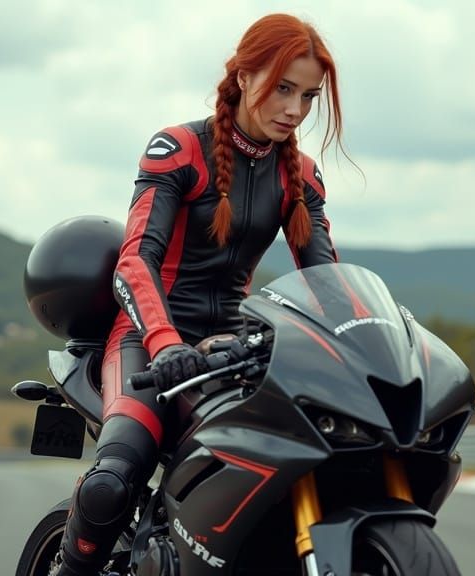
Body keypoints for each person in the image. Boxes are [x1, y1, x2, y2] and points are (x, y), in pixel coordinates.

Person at [53, 13, 351, 575]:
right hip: (147, 342)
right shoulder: (179, 148)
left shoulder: (301, 177)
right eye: (283, 88)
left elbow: (327, 284)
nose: (295, 109)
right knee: (112, 484)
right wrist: (165, 344)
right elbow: (134, 262)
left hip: (233, 348)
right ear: (242, 77)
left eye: (308, 96)